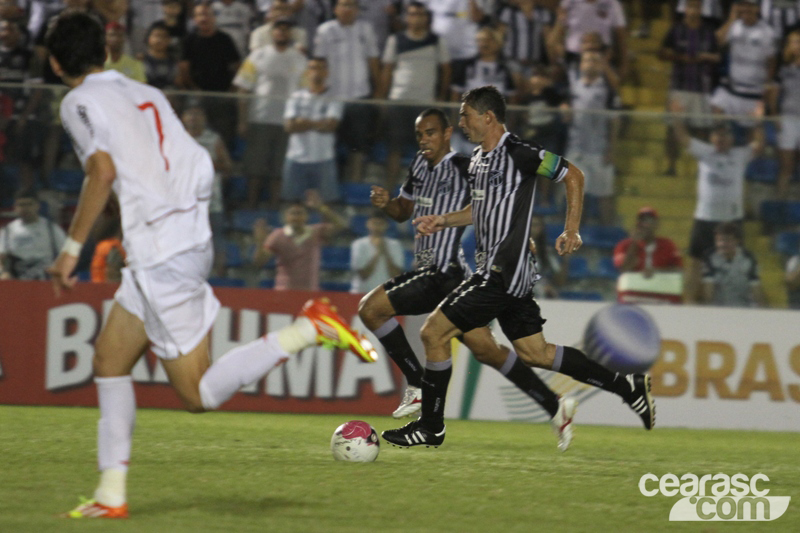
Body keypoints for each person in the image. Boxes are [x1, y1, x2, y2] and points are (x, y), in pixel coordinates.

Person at [44, 12, 375, 519]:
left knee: (197, 394)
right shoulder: (145, 93)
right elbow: (186, 160)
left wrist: (71, 249)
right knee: (110, 364)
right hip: (183, 235)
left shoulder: (77, 101)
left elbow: (102, 171)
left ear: (53, 61)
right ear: (108, 53)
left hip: (162, 253)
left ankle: (307, 330)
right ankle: (111, 493)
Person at [381, 87, 654, 449]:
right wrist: (443, 221)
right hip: (509, 275)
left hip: (500, 273)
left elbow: (573, 175)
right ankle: (626, 385)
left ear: (488, 117)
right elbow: (480, 211)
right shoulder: (477, 160)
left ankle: (431, 426)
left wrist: (571, 228)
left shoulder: (520, 154)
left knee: (433, 333)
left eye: (465, 116)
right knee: (535, 354)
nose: (460, 123)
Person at [362, 108, 579, 451]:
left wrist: (521, 236)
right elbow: (403, 213)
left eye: (431, 133)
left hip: (445, 273)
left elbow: (502, 198)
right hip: (444, 276)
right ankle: (556, 405)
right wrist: (387, 203)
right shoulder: (418, 166)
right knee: (489, 352)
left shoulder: (467, 166)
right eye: (419, 134)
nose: (424, 140)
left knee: (371, 309)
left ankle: (418, 386)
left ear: (447, 133)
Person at [669, 100, 765, 303]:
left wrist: (758, 122)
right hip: (705, 218)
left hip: (732, 220)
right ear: (712, 138)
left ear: (731, 139)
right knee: (695, 262)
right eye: (718, 135)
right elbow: (683, 138)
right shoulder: (705, 152)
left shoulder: (740, 155)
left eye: (725, 135)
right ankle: (690, 304)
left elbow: (759, 146)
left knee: (736, 260)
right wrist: (677, 117)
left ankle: (736, 302)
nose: (721, 138)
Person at [234, 18, 306, 208]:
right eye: (278, 29)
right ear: (272, 33)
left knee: (280, 168)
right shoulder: (257, 56)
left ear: (290, 34)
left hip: (288, 121)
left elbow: (305, 93)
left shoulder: (300, 59)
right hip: (260, 117)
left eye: (286, 30)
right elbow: (243, 89)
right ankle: (251, 205)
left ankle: (274, 206)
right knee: (255, 166)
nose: (282, 33)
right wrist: (242, 120)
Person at [379, 1, 451, 190]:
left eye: (420, 14)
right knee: (394, 148)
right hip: (399, 100)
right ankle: (390, 188)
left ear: (427, 18)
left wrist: (441, 97)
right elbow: (387, 70)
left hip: (425, 103)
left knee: (429, 148)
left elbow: (446, 70)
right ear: (406, 17)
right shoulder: (396, 40)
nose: (416, 18)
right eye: (412, 14)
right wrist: (382, 98)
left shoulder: (437, 41)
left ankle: (430, 190)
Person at [314, 0, 379, 182]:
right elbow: (319, 63)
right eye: (343, 5)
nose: (347, 9)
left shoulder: (366, 29)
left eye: (351, 5)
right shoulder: (325, 30)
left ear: (358, 10)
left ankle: (354, 183)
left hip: (360, 97)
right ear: (335, 9)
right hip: (331, 98)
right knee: (329, 144)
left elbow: (373, 60)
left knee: (357, 146)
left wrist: (379, 91)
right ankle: (330, 183)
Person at [659, 0, 720, 176]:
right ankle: (671, 165)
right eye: (690, 7)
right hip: (679, 85)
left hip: (702, 87)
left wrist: (706, 56)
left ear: (701, 9)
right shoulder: (676, 29)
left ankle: (702, 167)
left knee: (702, 128)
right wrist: (678, 57)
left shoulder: (708, 32)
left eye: (697, 7)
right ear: (685, 9)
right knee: (673, 127)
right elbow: (661, 52)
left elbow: (717, 57)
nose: (693, 10)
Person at [564, 49, 620, 225]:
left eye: (595, 60)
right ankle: (576, 232)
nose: (590, 63)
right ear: (581, 64)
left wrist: (611, 149)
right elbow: (567, 114)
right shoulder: (573, 87)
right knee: (576, 192)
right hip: (576, 149)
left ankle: (607, 230)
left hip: (599, 149)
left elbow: (615, 122)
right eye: (586, 60)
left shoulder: (608, 91)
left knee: (604, 193)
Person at [252, 191, 346, 290]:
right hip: (284, 291)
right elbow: (259, 262)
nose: (296, 217)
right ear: (285, 217)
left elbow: (342, 225)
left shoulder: (315, 232)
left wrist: (321, 207)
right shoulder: (277, 235)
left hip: (310, 291)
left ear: (306, 216)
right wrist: (260, 243)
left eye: (300, 213)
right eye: (293, 213)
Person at [281, 57, 343, 204]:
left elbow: (330, 126)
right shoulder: (296, 97)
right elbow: (289, 126)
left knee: (327, 203)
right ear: (307, 72)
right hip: (295, 158)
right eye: (313, 67)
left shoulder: (335, 97)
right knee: (291, 202)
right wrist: (318, 123)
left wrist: (304, 122)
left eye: (321, 67)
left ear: (326, 72)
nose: (316, 71)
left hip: (323, 158)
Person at [710, 0, 777, 124]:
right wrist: (731, 19)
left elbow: (771, 61)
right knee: (716, 107)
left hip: (754, 90)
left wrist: (767, 84)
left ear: (757, 9)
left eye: (750, 6)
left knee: (753, 128)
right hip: (732, 87)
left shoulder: (767, 32)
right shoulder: (734, 26)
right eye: (743, 5)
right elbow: (717, 41)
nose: (746, 9)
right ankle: (721, 139)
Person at [0, 189, 65, 280]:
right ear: (15, 207)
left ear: (37, 206)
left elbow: (65, 254)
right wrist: (4, 272)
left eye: (29, 204)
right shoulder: (8, 231)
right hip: (17, 278)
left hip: (46, 278)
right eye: (21, 205)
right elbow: (2, 257)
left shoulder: (51, 229)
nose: (25, 208)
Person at [702, 222, 765, 307]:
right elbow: (708, 292)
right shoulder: (710, 257)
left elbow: (756, 288)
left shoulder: (748, 259)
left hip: (743, 310)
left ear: (737, 241)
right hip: (718, 310)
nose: (722, 244)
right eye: (719, 240)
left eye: (727, 240)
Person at [768, 29, 800, 197]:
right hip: (788, 119)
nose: (796, 45)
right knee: (786, 167)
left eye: (798, 41)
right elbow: (773, 93)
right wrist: (775, 116)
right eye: (793, 42)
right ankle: (781, 206)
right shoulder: (784, 69)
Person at [613, 207, 683, 277]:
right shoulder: (624, 245)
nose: (645, 225)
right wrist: (634, 243)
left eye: (649, 221)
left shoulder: (668, 245)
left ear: (656, 224)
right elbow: (623, 270)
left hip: (659, 286)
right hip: (633, 286)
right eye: (642, 221)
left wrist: (656, 271)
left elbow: (678, 270)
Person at [349, 211, 405, 295]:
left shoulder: (395, 245)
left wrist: (385, 252)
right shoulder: (359, 244)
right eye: (374, 223)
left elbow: (396, 275)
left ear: (386, 225)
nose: (377, 227)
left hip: (385, 294)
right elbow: (363, 275)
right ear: (368, 224)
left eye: (380, 224)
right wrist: (378, 252)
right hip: (361, 293)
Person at [142, 21, 178, 89]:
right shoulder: (140, 61)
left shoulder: (175, 63)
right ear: (149, 38)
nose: (159, 40)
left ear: (169, 40)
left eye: (163, 36)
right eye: (156, 35)